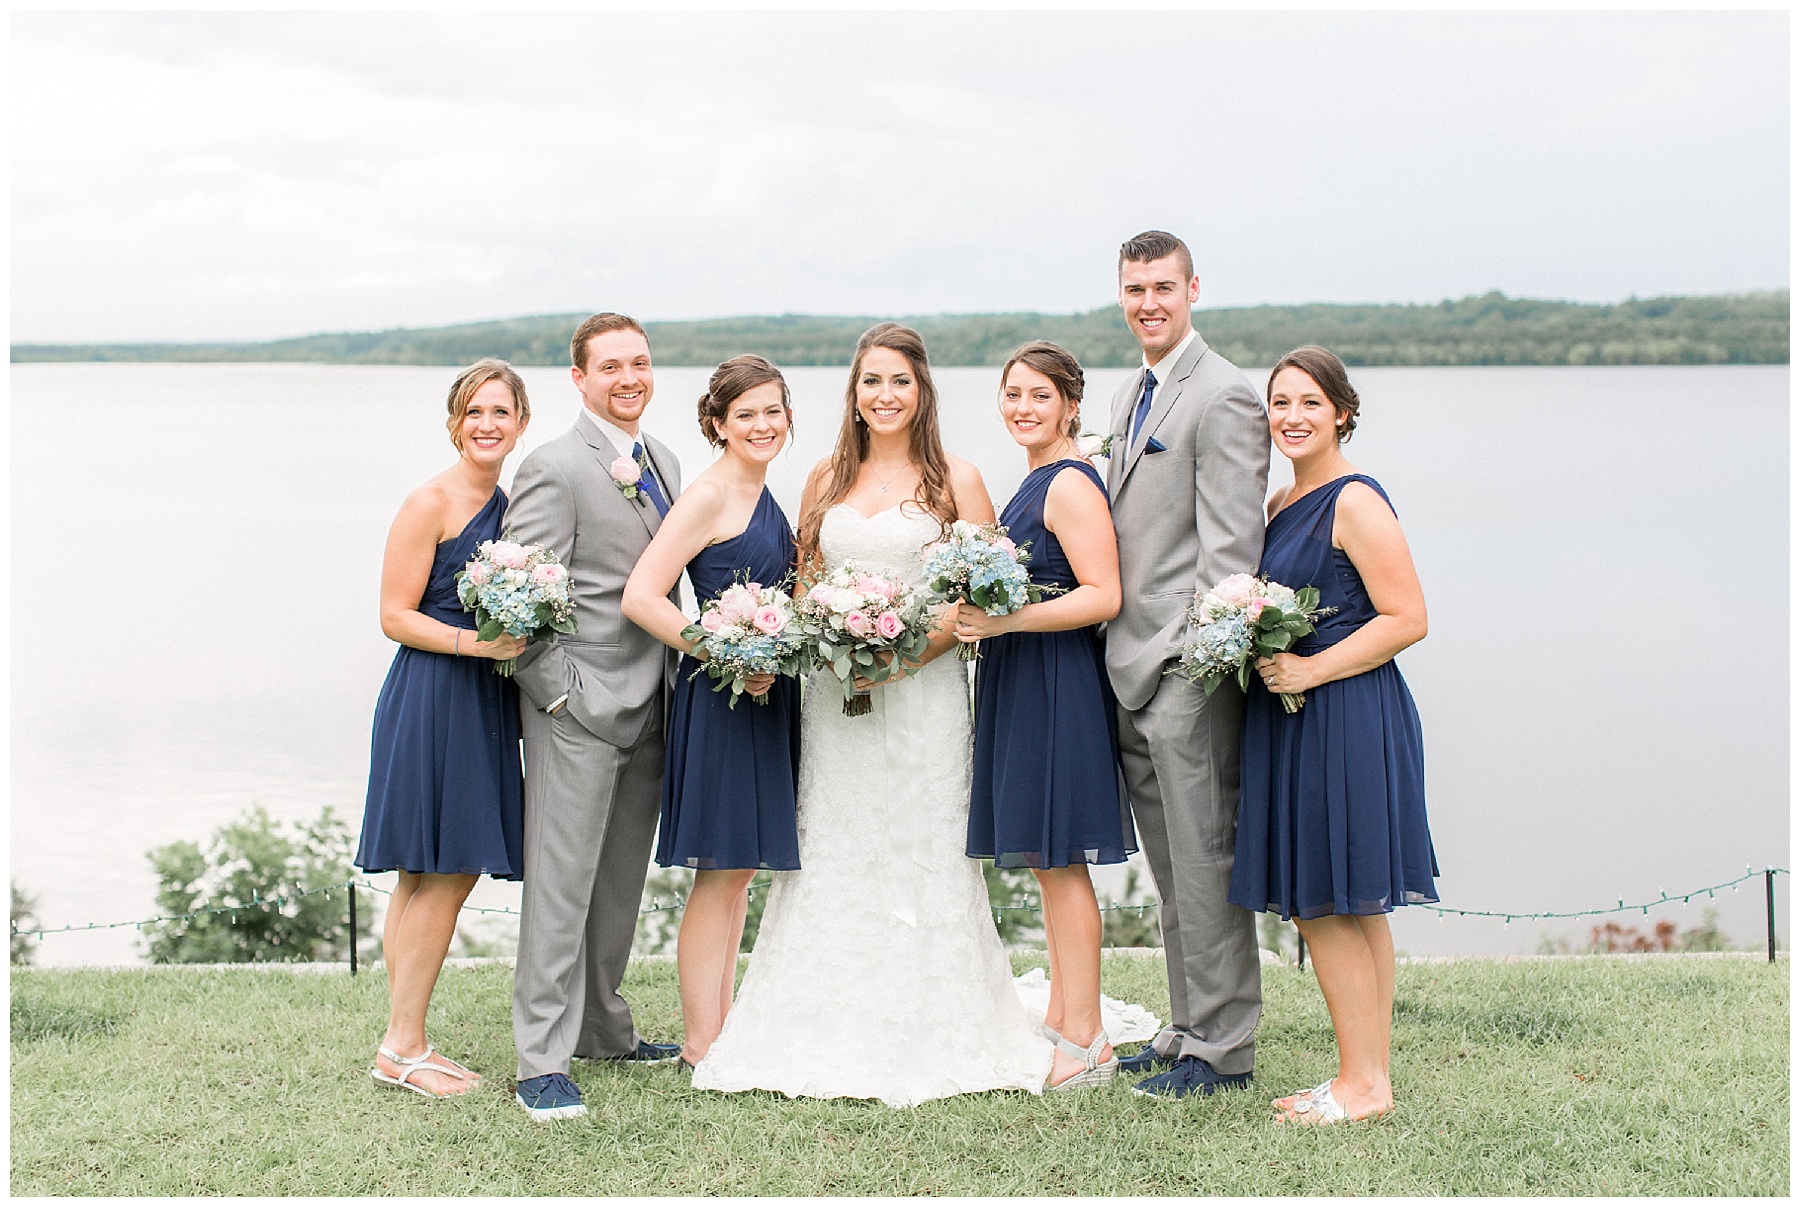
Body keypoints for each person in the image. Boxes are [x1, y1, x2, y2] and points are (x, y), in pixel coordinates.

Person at [692, 323, 1052, 1106]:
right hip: (834, 697)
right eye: (870, 382)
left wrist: (905, 656)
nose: (884, 396)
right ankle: (821, 1010)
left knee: (923, 840)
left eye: (899, 381)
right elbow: (806, 583)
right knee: (842, 841)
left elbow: (985, 590)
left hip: (924, 697)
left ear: (922, 390)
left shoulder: (956, 476)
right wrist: (837, 641)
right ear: (852, 393)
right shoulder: (823, 477)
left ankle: (938, 1015)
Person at [1230, 346, 1436, 1125]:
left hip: (1345, 712)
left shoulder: (1355, 500)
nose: (1292, 416)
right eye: (1279, 403)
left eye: (1309, 402)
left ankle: (1360, 1084)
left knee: (1325, 899)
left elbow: (1408, 618)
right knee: (1353, 900)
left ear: (1342, 411)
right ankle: (1371, 1076)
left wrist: (1310, 673)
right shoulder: (1282, 502)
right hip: (1293, 714)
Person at [1104, 230, 1272, 1099]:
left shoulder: (1225, 397)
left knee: (1205, 860)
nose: (1148, 303)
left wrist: (1192, 672)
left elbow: (1230, 558)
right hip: (1127, 665)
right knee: (1171, 869)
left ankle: (1224, 1049)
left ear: (1194, 288)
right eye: (1134, 289)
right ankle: (1185, 1026)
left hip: (1184, 674)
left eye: (1163, 286)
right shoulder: (1138, 389)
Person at [505, 313, 684, 1121]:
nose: (629, 377)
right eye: (610, 366)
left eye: (639, 362)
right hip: (577, 706)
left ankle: (604, 1027)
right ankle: (541, 1057)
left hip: (652, 701)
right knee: (560, 883)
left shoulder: (666, 460)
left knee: (618, 882)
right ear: (578, 377)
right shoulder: (551, 466)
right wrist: (558, 693)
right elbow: (520, 596)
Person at [953, 341, 1133, 1091]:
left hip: (1056, 680)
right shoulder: (1033, 478)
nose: (1023, 408)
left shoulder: (1068, 484)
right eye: (1013, 394)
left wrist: (1005, 621)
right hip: (1023, 678)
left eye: (1039, 396)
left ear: (1070, 405)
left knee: (1062, 865)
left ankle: (1088, 1037)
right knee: (1043, 857)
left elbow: (1103, 594)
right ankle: (1065, 1013)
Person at [356, 358, 531, 1099]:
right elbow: (394, 614)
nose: (486, 424)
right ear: (454, 423)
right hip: (435, 692)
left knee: (422, 871)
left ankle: (402, 1037)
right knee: (449, 865)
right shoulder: (428, 501)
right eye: (473, 412)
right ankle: (404, 1045)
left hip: (483, 699)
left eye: (500, 411)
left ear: (522, 422)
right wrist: (478, 644)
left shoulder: (514, 504)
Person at [621, 355, 802, 1068]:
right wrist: (722, 651)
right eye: (746, 413)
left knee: (742, 871)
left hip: (766, 693)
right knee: (719, 872)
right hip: (723, 696)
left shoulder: (762, 489)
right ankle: (702, 1042)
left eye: (773, 410)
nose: (762, 424)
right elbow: (641, 596)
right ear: (718, 423)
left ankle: (722, 1029)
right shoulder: (709, 494)